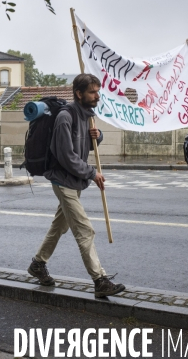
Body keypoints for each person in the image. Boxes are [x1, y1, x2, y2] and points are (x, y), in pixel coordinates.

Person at [26, 74, 126, 298]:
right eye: (92, 92)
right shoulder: (65, 117)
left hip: (74, 180)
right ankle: (100, 280)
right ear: (79, 93)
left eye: (98, 91)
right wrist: (92, 173)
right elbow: (65, 155)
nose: (97, 96)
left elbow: (86, 143)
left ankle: (37, 264)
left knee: (59, 227)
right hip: (63, 180)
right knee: (84, 230)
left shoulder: (86, 116)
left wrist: (97, 136)